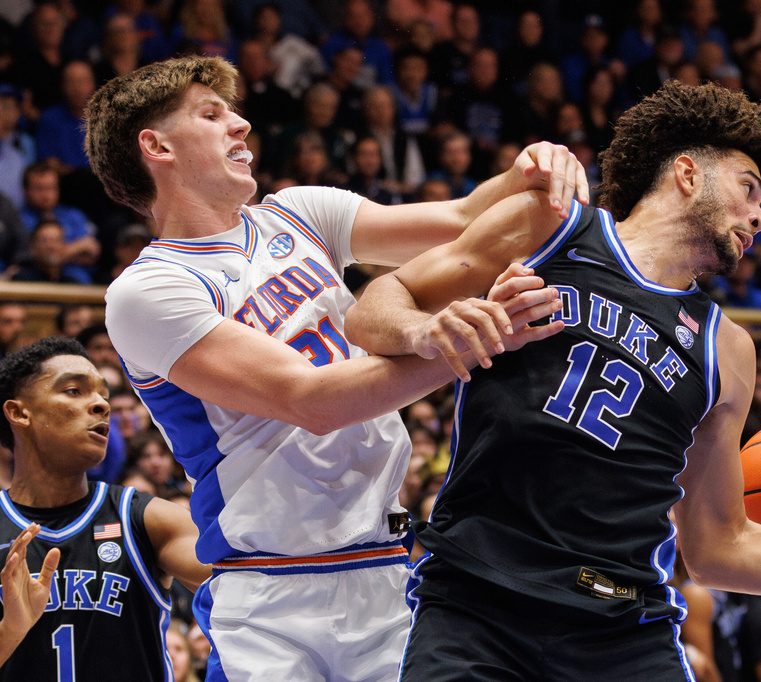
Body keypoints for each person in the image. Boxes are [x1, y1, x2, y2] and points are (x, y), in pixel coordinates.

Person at [345, 80, 761, 679]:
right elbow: (372, 306)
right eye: (748, 191)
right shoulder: (549, 228)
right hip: (476, 602)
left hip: (621, 628)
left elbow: (720, 546)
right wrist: (426, 332)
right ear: (688, 174)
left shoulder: (727, 348)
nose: (759, 219)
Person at [84, 54, 586, 682]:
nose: (240, 125)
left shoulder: (298, 212)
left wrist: (528, 173)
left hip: (385, 569)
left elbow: (461, 223)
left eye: (234, 112)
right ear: (155, 146)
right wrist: (459, 342)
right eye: (212, 115)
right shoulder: (149, 290)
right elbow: (311, 400)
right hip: (270, 596)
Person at [0, 336, 210, 679]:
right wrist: (11, 630)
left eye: (103, 394)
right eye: (74, 390)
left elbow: (255, 588)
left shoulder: (149, 519)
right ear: (19, 412)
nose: (101, 404)